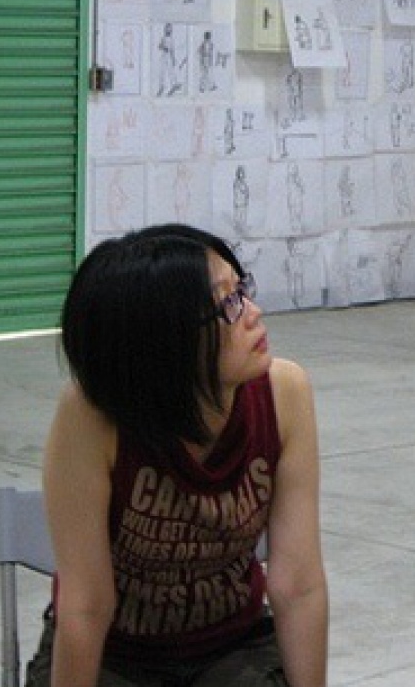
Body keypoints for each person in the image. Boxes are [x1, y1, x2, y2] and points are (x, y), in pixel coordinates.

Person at [27, 224, 328, 687]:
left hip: (233, 649)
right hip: (114, 655)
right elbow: (86, 606)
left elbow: (297, 584)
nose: (253, 313)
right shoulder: (92, 415)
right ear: (165, 342)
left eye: (242, 290)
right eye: (227, 304)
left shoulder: (283, 394)